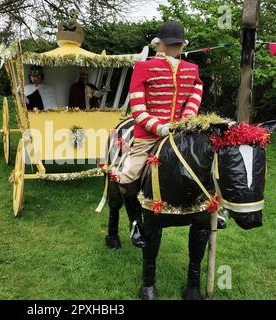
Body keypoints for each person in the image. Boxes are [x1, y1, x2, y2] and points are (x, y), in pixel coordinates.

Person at [117, 21, 204, 299]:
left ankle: (213, 210)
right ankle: (136, 223)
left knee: (206, 166)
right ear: (161, 44)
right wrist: (160, 127)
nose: (176, 48)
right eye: (172, 44)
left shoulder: (192, 69)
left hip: (182, 131)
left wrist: (186, 120)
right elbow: (137, 106)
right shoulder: (142, 68)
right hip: (149, 134)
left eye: (178, 44)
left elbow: (195, 94)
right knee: (128, 176)